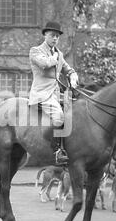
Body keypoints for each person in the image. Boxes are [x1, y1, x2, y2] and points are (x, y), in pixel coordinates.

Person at [28, 21, 79, 165]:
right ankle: (57, 151)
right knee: (59, 117)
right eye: (52, 35)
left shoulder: (59, 53)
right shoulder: (35, 51)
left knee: (76, 112)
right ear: (45, 35)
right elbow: (44, 64)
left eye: (57, 36)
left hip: (57, 93)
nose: (55, 38)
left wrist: (72, 74)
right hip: (42, 94)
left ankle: (71, 147)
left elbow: (67, 68)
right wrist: (56, 58)